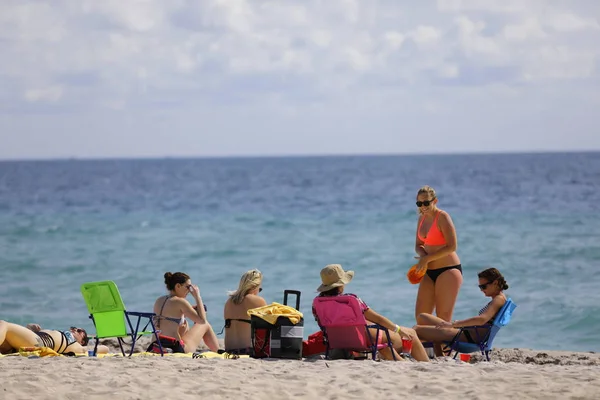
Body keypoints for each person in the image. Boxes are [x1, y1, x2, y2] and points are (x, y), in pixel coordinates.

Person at [313, 264, 429, 362]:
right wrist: (399, 330)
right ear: (341, 284)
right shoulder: (351, 300)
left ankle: (394, 356)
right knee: (412, 333)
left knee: (387, 345)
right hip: (363, 340)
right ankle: (426, 365)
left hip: (338, 342)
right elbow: (378, 319)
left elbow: (324, 326)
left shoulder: (317, 304)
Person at [414, 267, 509, 357]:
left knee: (416, 330)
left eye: (484, 286)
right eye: (480, 287)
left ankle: (425, 351)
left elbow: (482, 320)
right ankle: (438, 352)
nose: (482, 290)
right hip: (467, 333)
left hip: (468, 337)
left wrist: (453, 324)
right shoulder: (500, 299)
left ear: (495, 283)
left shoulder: (498, 299)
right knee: (422, 317)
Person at [413, 185, 462, 323]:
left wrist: (427, 258)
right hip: (428, 271)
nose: (423, 206)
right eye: (419, 203)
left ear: (435, 201)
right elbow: (418, 245)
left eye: (426, 202)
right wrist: (423, 256)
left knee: (443, 319)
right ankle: (426, 344)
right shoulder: (421, 219)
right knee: (421, 317)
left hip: (448, 271)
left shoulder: (443, 217)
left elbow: (452, 246)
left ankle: (443, 345)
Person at [150, 271, 219, 353]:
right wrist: (197, 297)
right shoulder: (180, 302)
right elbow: (202, 321)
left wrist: (185, 313)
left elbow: (168, 318)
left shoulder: (159, 300)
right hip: (175, 347)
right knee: (205, 325)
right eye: (188, 287)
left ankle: (218, 351)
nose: (189, 291)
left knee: (184, 323)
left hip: (156, 345)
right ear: (178, 286)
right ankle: (219, 351)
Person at [223, 269, 267, 354]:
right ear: (255, 287)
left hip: (229, 350)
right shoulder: (257, 301)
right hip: (247, 350)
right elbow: (270, 327)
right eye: (259, 289)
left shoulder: (228, 302)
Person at [0, 321, 90, 355]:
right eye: (74, 328)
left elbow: (103, 349)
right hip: (34, 339)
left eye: (79, 331)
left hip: (40, 343)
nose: (75, 329)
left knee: (4, 324)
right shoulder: (61, 334)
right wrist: (30, 328)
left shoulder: (76, 346)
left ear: (82, 342)